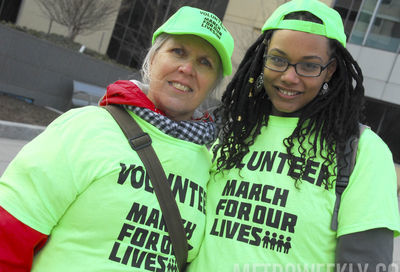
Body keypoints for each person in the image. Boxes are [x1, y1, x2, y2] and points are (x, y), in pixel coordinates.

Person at [0, 6, 233, 271]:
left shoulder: (210, 165)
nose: (187, 68)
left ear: (214, 83)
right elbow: (9, 233)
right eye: (178, 51)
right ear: (153, 59)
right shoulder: (86, 128)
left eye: (205, 63)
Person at [187, 0, 400, 271]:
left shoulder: (364, 151)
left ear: (330, 70)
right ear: (263, 58)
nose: (289, 76)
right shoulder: (228, 129)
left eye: (309, 66)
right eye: (278, 59)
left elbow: (365, 265)